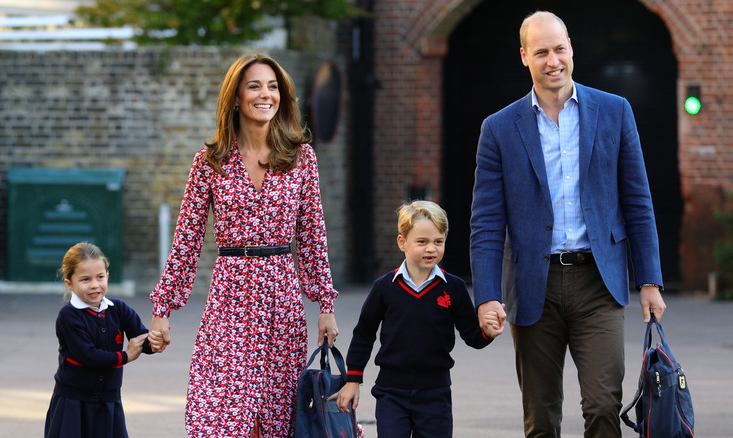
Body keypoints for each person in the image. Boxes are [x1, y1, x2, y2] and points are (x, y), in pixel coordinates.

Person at [470, 10, 668, 438]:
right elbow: (485, 223)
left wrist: (649, 278)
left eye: (559, 49)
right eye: (541, 52)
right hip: (530, 284)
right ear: (525, 57)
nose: (552, 60)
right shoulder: (499, 129)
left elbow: (638, 201)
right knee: (541, 418)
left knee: (602, 407)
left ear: (571, 49)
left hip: (599, 282)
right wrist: (486, 296)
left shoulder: (614, 112)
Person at [147, 54, 340, 438]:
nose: (265, 94)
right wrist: (162, 308)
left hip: (281, 302)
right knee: (218, 416)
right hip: (230, 298)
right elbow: (186, 239)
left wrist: (326, 306)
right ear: (236, 97)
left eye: (272, 87)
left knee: (276, 416)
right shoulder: (210, 160)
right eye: (254, 86)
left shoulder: (301, 159)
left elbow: (313, 238)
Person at [332, 200, 503, 437]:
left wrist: (488, 332)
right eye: (422, 242)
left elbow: (473, 336)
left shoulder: (454, 287)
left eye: (438, 242)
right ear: (402, 242)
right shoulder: (384, 288)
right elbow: (364, 334)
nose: (431, 248)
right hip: (391, 393)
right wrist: (353, 381)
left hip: (436, 394)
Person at [44, 242, 153, 438]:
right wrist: (126, 356)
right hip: (73, 401)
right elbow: (89, 356)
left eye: (100, 277)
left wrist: (155, 340)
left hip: (109, 400)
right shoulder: (69, 316)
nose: (95, 285)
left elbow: (141, 337)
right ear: (70, 283)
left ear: (107, 277)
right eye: (85, 279)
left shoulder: (119, 309)